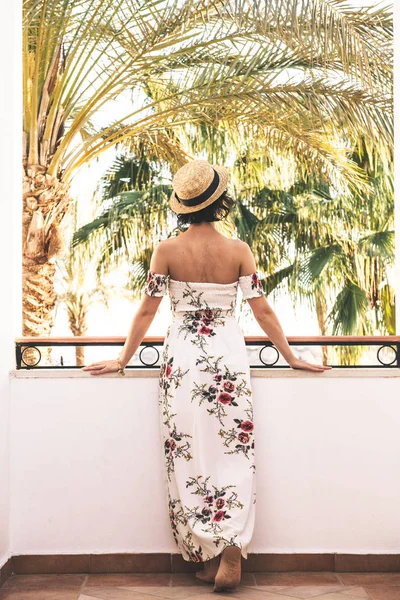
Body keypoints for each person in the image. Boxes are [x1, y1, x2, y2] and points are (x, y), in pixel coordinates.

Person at [82, 159, 332, 592]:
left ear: (182, 206)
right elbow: (262, 308)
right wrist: (290, 356)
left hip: (182, 363)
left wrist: (123, 359)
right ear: (221, 202)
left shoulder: (165, 250)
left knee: (189, 453)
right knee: (235, 451)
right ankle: (229, 547)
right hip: (228, 361)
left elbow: (147, 309)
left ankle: (205, 550)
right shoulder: (238, 249)